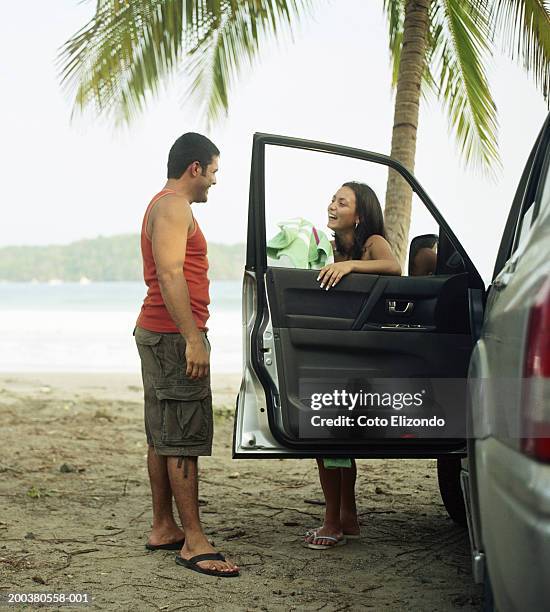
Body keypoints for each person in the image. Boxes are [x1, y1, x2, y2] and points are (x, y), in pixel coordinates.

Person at [134, 133, 239, 577]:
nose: (215, 181)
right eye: (213, 171)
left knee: (162, 431)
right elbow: (171, 270)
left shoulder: (165, 205)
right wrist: (193, 338)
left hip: (159, 332)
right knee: (182, 435)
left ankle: (164, 526)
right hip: (174, 336)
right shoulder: (175, 207)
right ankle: (194, 541)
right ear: (194, 168)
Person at [304, 181, 401, 550]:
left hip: (357, 354)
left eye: (341, 202)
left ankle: (332, 522)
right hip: (334, 349)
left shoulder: (370, 242)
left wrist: (350, 268)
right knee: (337, 441)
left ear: (358, 215)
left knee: (331, 438)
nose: (332, 205)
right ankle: (347, 514)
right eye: (332, 199)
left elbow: (394, 266)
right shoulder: (327, 247)